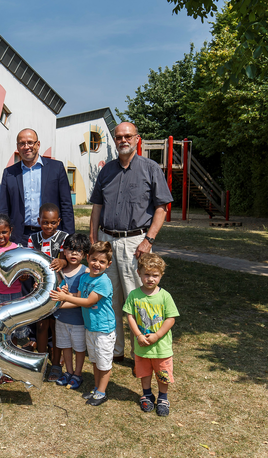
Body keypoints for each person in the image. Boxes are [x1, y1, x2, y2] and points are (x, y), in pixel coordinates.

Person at [89, 122, 173, 364]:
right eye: (118, 137)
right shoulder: (106, 171)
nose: (123, 140)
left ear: (138, 139)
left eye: (128, 136)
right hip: (106, 241)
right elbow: (97, 207)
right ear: (114, 140)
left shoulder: (150, 168)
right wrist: (94, 240)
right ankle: (116, 351)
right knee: (109, 298)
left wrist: (149, 240)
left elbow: (161, 208)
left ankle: (143, 353)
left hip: (135, 242)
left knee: (138, 299)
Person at [50, 241, 115, 406]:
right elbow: (77, 297)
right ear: (88, 258)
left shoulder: (103, 282)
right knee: (95, 360)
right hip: (90, 327)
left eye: (102, 262)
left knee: (104, 362)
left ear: (109, 264)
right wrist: (62, 296)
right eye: (94, 260)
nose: (97, 264)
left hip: (103, 329)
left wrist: (64, 298)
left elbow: (87, 302)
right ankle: (96, 388)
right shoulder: (85, 277)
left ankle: (101, 392)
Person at [123, 253, 179, 417]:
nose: (150, 279)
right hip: (142, 347)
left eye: (155, 275)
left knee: (162, 373)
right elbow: (130, 316)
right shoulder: (134, 295)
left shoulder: (165, 296)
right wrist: (139, 335)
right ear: (139, 273)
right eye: (146, 274)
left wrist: (157, 335)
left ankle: (163, 398)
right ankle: (146, 394)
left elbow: (171, 318)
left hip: (161, 347)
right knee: (144, 372)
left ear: (161, 275)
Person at [0, 128, 74, 244]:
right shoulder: (9, 173)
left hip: (52, 235)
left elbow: (66, 205)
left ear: (38, 144)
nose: (26, 146)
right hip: (20, 236)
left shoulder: (56, 168)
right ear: (17, 147)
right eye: (22, 143)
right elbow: (4, 208)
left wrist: (69, 238)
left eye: (30, 142)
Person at [27, 202, 69, 381]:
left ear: (58, 222)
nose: (49, 226)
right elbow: (30, 262)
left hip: (59, 289)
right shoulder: (33, 239)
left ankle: (57, 365)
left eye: (53, 223)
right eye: (45, 222)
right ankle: (41, 362)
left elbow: (69, 260)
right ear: (39, 221)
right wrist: (33, 279)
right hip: (39, 288)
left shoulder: (64, 238)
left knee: (56, 326)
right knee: (42, 325)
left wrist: (63, 262)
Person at [53, 233, 90, 391]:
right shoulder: (60, 270)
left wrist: (59, 304)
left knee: (79, 349)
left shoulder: (86, 272)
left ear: (85, 254)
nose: (74, 254)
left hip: (78, 321)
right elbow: (54, 290)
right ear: (64, 251)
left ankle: (77, 373)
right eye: (70, 250)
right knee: (65, 346)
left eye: (79, 251)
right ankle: (68, 371)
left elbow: (82, 300)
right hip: (61, 319)